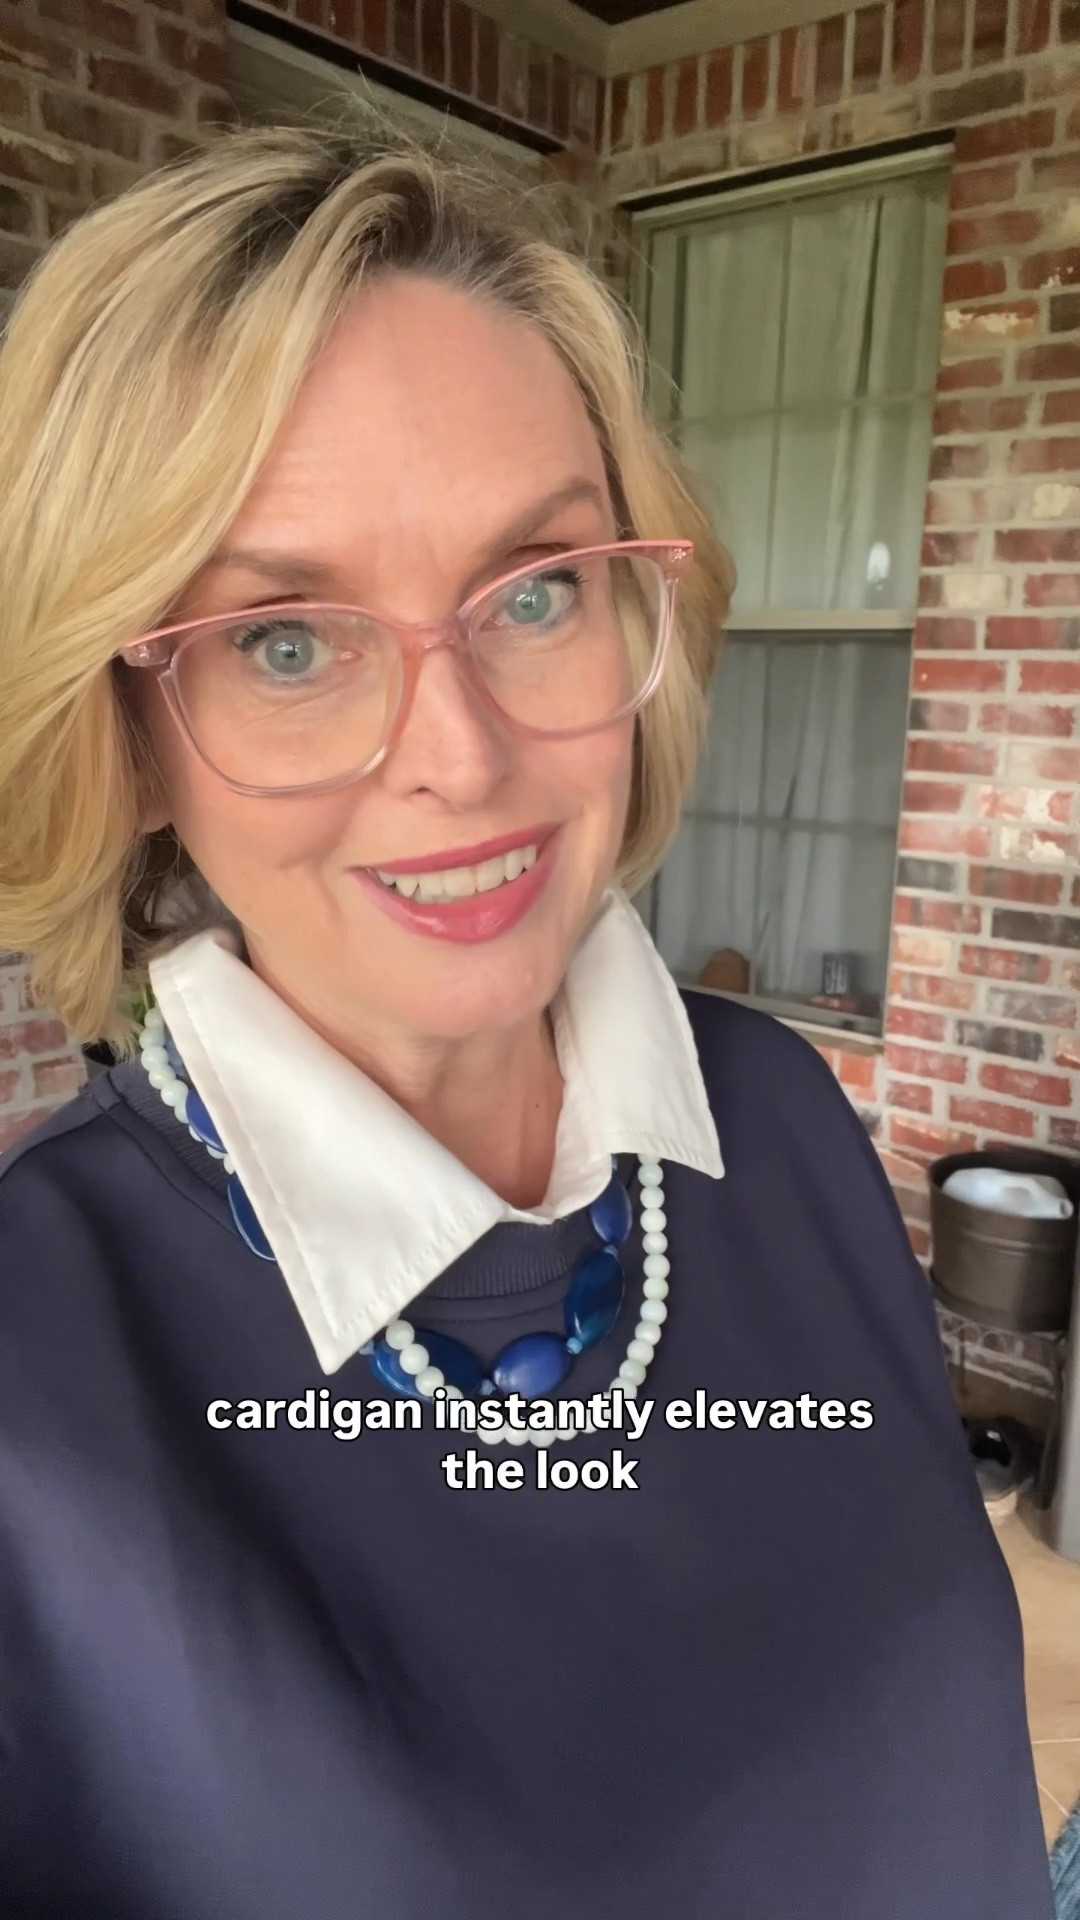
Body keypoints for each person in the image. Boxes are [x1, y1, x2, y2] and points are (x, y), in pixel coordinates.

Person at [0, 121, 1053, 1920]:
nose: (464, 756)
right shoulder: (38, 1357)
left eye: (538, 590)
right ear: (129, 727)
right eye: (286, 639)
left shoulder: (780, 1116)